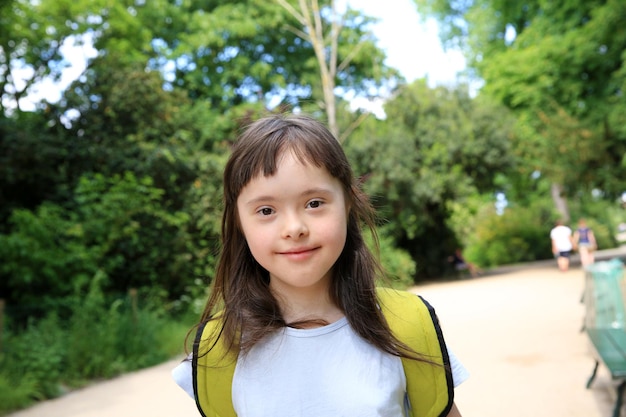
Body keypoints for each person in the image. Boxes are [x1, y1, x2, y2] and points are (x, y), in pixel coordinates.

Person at [172, 114, 468, 417]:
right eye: (266, 210)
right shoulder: (219, 348)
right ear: (239, 222)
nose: (294, 227)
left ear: (348, 205)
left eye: (314, 203)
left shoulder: (406, 324)